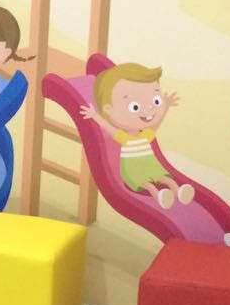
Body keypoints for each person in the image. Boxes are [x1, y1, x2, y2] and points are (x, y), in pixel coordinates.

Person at [79, 62, 192, 209]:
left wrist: (165, 107)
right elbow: (109, 128)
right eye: (135, 107)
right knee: (148, 185)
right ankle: (159, 196)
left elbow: (156, 124)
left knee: (166, 180)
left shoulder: (145, 135)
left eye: (156, 101)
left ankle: (179, 191)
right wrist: (95, 115)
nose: (149, 109)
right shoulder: (125, 138)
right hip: (132, 170)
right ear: (109, 110)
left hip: (150, 165)